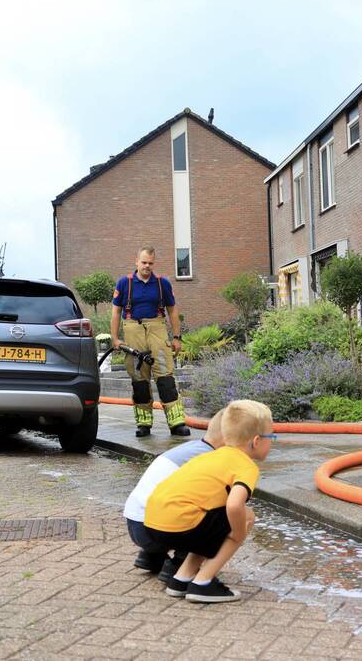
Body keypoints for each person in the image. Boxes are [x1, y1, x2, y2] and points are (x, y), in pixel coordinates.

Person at [144, 400, 274, 603]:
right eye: (271, 436)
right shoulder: (246, 466)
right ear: (256, 441)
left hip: (153, 524)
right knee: (245, 517)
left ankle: (181, 579)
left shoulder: (209, 456)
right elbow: (234, 504)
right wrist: (238, 534)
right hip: (181, 525)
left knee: (208, 516)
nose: (272, 441)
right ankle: (203, 583)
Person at [123, 409, 225, 582]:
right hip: (153, 528)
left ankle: (152, 557)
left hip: (135, 522)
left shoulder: (191, 447)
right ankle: (179, 564)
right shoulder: (211, 459)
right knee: (221, 516)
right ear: (229, 439)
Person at [110, 246, 189, 438]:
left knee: (165, 377)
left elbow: (172, 310)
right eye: (144, 262)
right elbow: (116, 312)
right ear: (136, 261)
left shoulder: (162, 284)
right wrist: (115, 338)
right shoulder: (124, 284)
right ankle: (144, 424)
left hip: (157, 330)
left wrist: (177, 337)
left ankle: (176, 422)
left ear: (154, 263)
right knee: (139, 380)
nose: (147, 266)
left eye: (150, 263)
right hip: (133, 331)